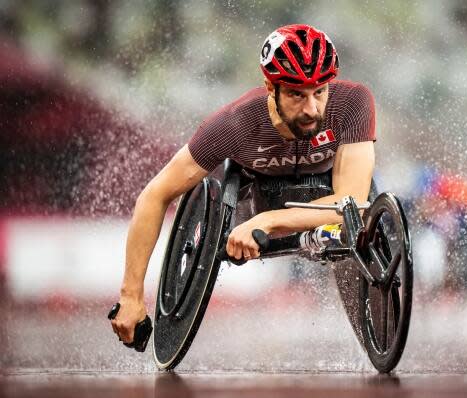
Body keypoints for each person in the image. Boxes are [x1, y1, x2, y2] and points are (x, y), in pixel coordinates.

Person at [110, 24, 377, 344]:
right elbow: (155, 195)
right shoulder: (234, 123)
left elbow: (350, 200)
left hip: (325, 198)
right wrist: (131, 295)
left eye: (319, 91)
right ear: (270, 86)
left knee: (359, 211)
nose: (311, 109)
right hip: (255, 199)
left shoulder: (352, 103)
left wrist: (268, 222)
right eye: (296, 93)